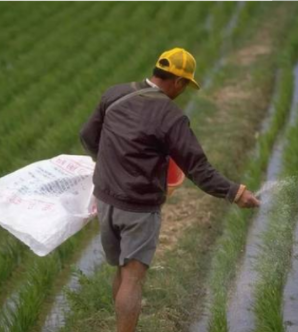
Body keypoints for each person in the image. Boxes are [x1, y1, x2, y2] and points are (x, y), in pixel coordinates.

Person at [79, 47, 260, 332]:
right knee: (133, 278)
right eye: (186, 85)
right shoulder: (169, 115)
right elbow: (198, 168)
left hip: (105, 199)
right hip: (138, 208)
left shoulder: (115, 94)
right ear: (177, 81)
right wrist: (236, 193)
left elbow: (88, 137)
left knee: (121, 271)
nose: (184, 91)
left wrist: (112, 165)